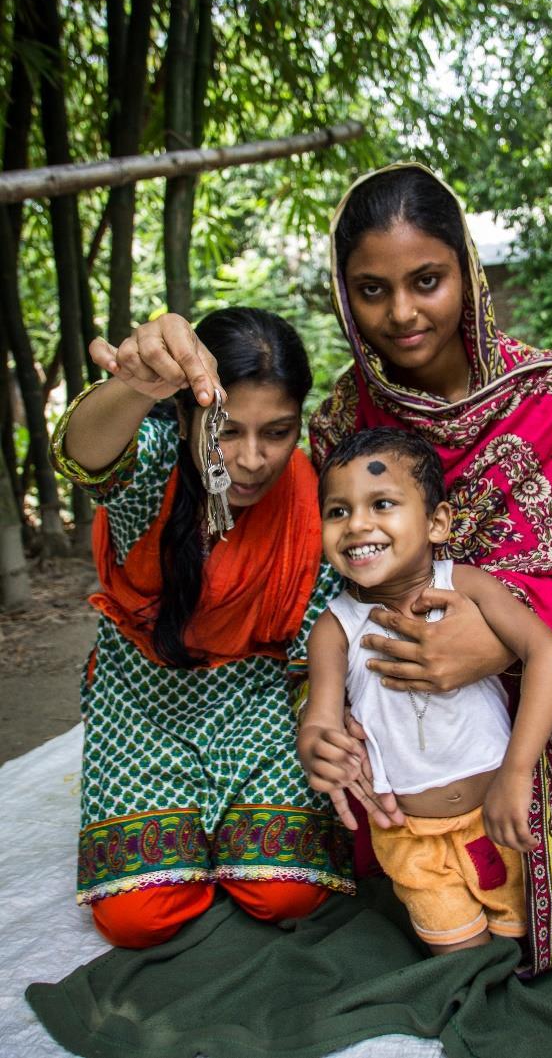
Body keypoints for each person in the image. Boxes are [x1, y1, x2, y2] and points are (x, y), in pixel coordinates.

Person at [309, 162, 552, 974]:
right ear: (346, 297)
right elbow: (328, 593)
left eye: (427, 280)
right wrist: (326, 711)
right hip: (400, 697)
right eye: (372, 290)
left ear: (467, 270)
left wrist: (495, 642)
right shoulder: (344, 423)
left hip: (538, 676)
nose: (403, 312)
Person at [51, 306, 358, 949]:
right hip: (141, 703)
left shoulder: (312, 494)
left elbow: (316, 637)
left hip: (253, 702)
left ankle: (221, 840)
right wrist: (134, 385)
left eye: (277, 432)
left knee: (289, 894)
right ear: (189, 414)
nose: (251, 459)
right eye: (227, 431)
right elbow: (82, 456)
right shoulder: (156, 462)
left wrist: (320, 719)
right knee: (138, 919)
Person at [299, 428, 552, 955]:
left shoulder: (467, 586)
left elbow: (551, 656)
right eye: (337, 512)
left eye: (381, 503)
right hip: (409, 838)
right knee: (460, 955)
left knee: (524, 942)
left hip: (501, 811)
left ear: (437, 522)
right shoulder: (334, 628)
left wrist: (517, 776)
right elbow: (322, 716)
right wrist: (316, 744)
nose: (357, 524)